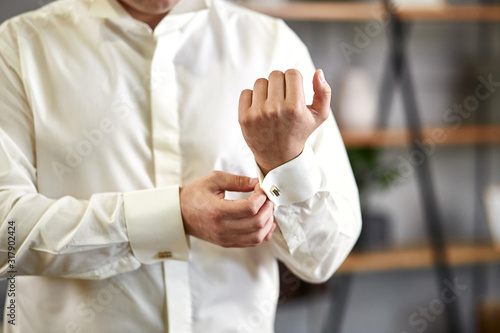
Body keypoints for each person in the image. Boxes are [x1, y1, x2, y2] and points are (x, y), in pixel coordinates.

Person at [0, 0, 361, 331]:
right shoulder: (18, 46)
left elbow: (323, 257)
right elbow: (5, 235)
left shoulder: (272, 44)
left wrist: (285, 164)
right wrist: (173, 217)